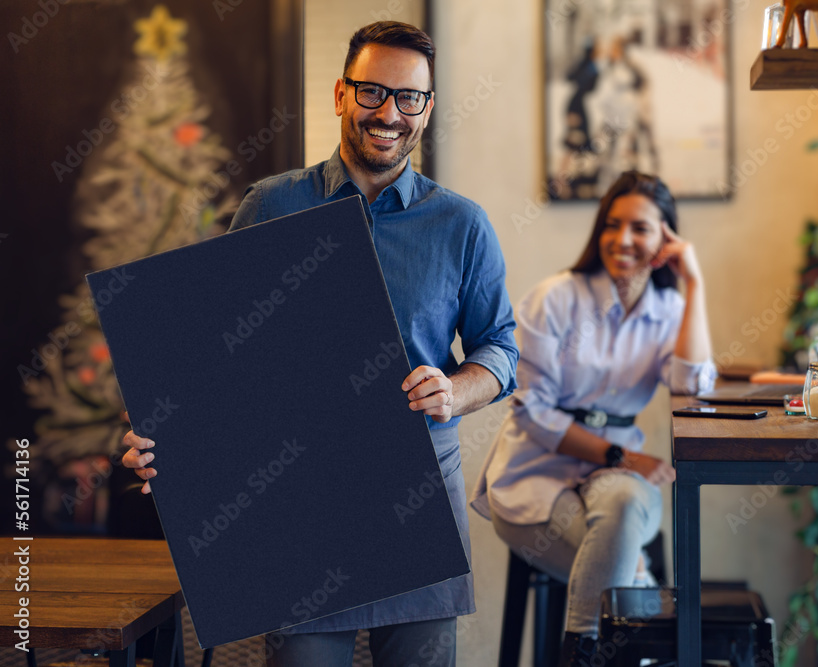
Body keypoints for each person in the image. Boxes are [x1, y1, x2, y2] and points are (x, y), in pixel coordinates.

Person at [121, 21, 518, 667]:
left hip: (417, 493)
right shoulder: (272, 205)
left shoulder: (461, 224)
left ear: (428, 107)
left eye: (409, 97)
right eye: (372, 92)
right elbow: (216, 355)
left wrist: (455, 388)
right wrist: (160, 432)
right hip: (302, 497)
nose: (389, 112)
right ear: (340, 95)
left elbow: (501, 347)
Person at [471, 170, 715, 666]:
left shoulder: (668, 309)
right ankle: (616, 645)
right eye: (612, 224)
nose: (622, 239)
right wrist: (621, 455)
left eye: (641, 228)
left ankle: (581, 652)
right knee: (630, 579)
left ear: (666, 237)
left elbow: (692, 383)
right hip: (534, 478)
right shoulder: (555, 298)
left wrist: (694, 282)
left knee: (624, 505)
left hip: (614, 480)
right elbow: (533, 411)